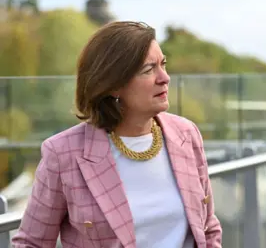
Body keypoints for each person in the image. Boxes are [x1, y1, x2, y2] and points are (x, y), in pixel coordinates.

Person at [12, 21, 222, 248]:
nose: (164, 77)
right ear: (113, 85)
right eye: (148, 69)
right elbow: (31, 243)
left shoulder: (187, 135)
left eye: (163, 64)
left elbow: (208, 229)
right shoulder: (63, 154)